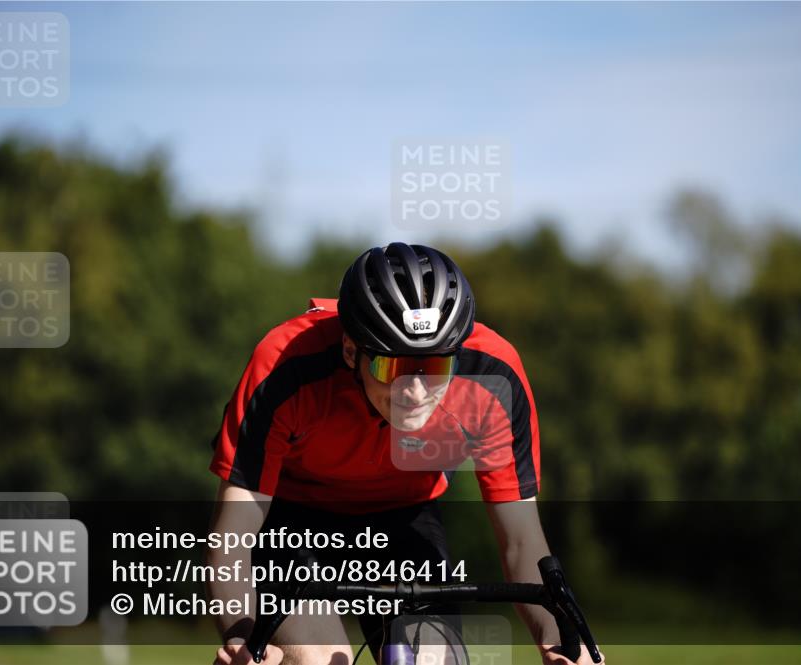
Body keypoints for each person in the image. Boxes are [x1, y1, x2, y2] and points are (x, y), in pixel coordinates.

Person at [207, 243, 602, 665]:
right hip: (293, 518)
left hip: (405, 518)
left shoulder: (493, 376)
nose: (414, 392)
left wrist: (560, 642)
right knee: (321, 659)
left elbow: (521, 541)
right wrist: (241, 638)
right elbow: (232, 534)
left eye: (435, 368)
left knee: (430, 660)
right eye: (391, 368)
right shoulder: (285, 364)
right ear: (351, 351)